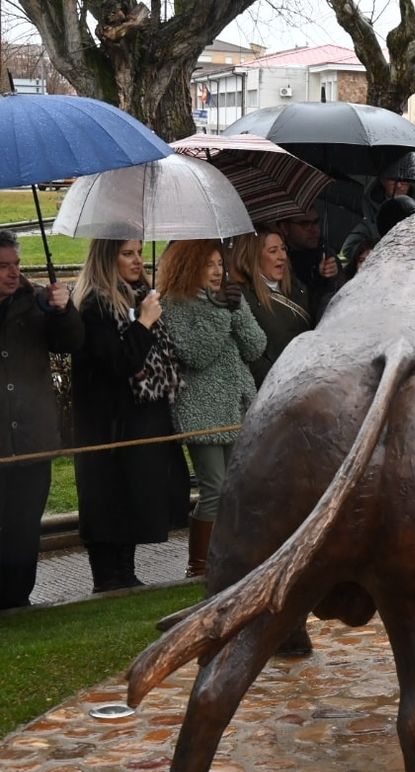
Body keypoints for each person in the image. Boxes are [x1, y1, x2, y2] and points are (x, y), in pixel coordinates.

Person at [70, 239, 191, 592]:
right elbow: (119, 363)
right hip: (106, 423)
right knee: (108, 500)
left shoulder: (139, 297)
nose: (137, 260)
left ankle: (126, 572)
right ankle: (108, 578)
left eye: (138, 252)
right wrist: (144, 324)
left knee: (135, 495)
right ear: (107, 259)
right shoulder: (95, 306)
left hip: (140, 417)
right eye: (127, 254)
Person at [159, 240, 267, 577]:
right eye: (209, 264)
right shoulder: (175, 304)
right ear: (190, 266)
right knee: (215, 488)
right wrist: (221, 312)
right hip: (202, 411)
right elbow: (197, 354)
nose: (218, 271)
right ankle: (200, 565)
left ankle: (234, 558)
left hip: (237, 407)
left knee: (237, 487)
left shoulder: (229, 298)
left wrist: (238, 309)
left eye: (220, 263)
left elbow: (256, 346)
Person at [0, 231, 83, 609]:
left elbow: (70, 342)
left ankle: (18, 600)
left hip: (32, 436)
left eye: (16, 264)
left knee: (24, 525)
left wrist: (64, 310)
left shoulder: (35, 300)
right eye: (3, 266)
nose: (13, 273)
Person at [230, 225, 312, 386]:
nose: (283, 256)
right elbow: (251, 356)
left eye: (283, 249)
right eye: (273, 251)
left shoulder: (297, 287)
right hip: (277, 385)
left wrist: (328, 280)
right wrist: (281, 380)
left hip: (309, 376)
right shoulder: (241, 298)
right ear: (254, 257)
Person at [278, 210, 345, 321]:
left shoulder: (326, 252)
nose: (314, 229)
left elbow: (341, 295)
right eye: (305, 224)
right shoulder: (278, 259)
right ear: (285, 228)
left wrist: (331, 278)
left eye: (316, 222)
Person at [339, 176, 414, 262]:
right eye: (394, 180)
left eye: (405, 181)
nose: (399, 185)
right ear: (383, 181)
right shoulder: (368, 216)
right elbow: (345, 255)